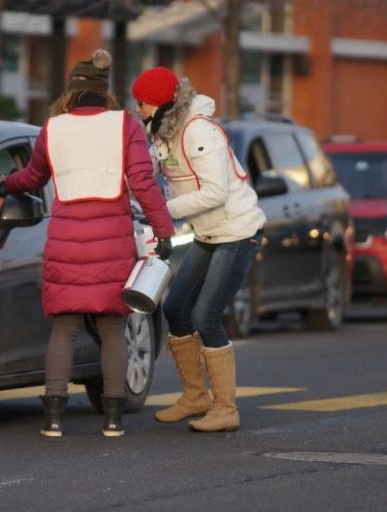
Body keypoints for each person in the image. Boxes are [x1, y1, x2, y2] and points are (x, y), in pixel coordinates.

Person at [0, 50, 174, 438]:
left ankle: (53, 417)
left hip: (66, 244)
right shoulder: (125, 125)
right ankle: (112, 419)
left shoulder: (53, 127)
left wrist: (5, 186)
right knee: (112, 329)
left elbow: (33, 177)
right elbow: (143, 183)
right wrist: (163, 231)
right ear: (104, 91)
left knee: (64, 329)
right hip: (111, 245)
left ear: (70, 92)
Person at [131, 67, 266, 432]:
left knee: (206, 315)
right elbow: (151, 176)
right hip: (207, 234)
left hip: (237, 231)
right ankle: (195, 396)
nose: (138, 109)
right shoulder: (163, 132)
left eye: (142, 103)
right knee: (175, 309)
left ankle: (225, 408)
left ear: (162, 103)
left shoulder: (198, 131)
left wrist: (163, 211)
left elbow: (215, 192)